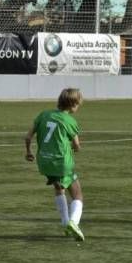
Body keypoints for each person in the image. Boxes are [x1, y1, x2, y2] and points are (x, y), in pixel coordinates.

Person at [25, 88, 85, 241]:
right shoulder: (70, 121)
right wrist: (74, 147)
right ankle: (74, 222)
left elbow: (27, 136)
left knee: (59, 188)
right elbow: (77, 146)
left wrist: (28, 152)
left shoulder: (44, 114)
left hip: (44, 161)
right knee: (77, 194)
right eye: (78, 104)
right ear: (72, 104)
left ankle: (65, 223)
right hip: (61, 163)